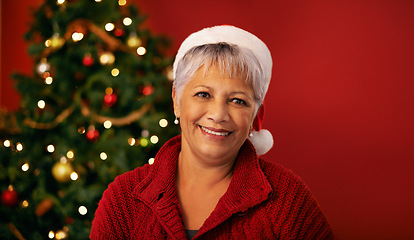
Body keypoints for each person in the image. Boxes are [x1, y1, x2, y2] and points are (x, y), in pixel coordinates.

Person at [90, 25, 334, 239]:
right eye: (203, 94)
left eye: (238, 101)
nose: (218, 115)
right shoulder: (123, 199)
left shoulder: (288, 200)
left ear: (255, 116)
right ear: (176, 99)